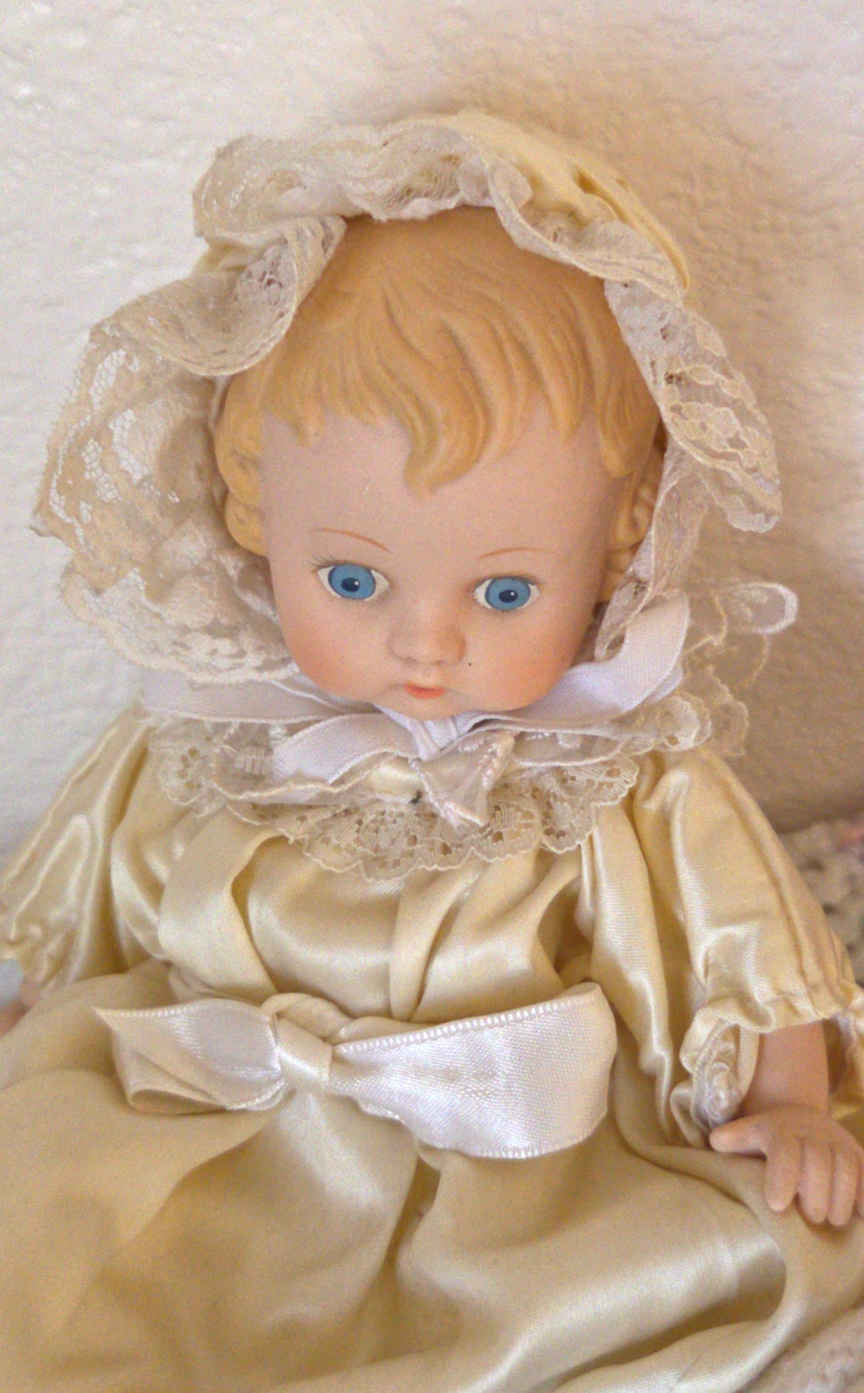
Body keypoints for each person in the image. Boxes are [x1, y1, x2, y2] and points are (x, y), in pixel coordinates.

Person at [2, 110, 863, 1393]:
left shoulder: (614, 771)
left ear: (617, 547)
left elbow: (747, 952)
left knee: (754, 1274)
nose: (426, 640)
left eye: (506, 592)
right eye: (352, 578)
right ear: (255, 517)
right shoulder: (213, 738)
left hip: (522, 1199)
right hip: (206, 1158)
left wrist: (791, 1100)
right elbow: (83, 912)